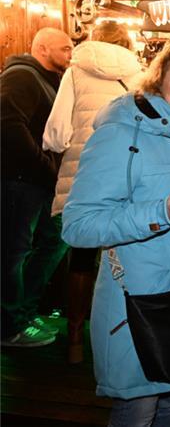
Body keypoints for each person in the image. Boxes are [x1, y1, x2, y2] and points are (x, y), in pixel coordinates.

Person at [61, 40, 170, 426]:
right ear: (157, 82)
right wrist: (158, 213)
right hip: (139, 304)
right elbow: (78, 225)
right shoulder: (122, 133)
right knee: (138, 410)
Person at [42, 21, 143, 364]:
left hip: (84, 176)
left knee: (82, 259)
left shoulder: (75, 72)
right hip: (126, 176)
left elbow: (56, 134)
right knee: (123, 256)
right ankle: (124, 336)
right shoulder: (139, 75)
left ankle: (74, 339)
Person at [1, 27, 73, 347]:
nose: (70, 54)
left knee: (55, 240)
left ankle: (23, 313)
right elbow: (8, 125)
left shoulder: (50, 80)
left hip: (39, 182)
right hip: (19, 181)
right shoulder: (21, 76)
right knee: (12, 253)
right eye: (65, 48)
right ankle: (8, 327)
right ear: (42, 48)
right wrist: (44, 166)